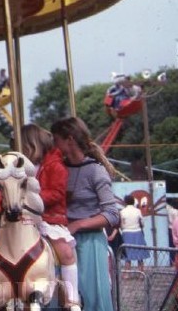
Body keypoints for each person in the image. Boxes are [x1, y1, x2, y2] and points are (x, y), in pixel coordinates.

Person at [51, 117, 120, 311]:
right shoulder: (59, 169)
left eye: (57, 140)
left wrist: (78, 224)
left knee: (93, 296)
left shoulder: (95, 171)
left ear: (69, 140)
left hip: (89, 241)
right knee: (58, 297)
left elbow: (112, 214)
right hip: (62, 239)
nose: (54, 145)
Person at [19, 123, 81, 310]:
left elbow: (57, 193)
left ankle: (71, 298)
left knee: (66, 253)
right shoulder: (22, 168)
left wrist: (33, 198)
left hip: (50, 218)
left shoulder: (54, 165)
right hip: (26, 219)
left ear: (31, 145)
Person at [119, 194, 149, 276]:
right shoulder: (138, 211)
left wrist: (124, 229)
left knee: (127, 255)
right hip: (137, 232)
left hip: (126, 233)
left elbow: (121, 224)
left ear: (125, 202)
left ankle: (126, 274)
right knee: (140, 254)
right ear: (133, 201)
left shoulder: (122, 212)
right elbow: (142, 223)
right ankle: (141, 273)